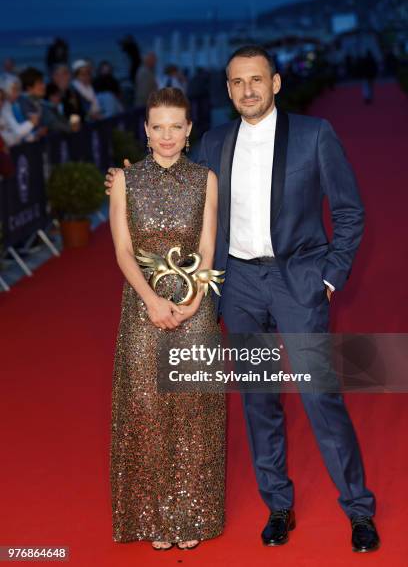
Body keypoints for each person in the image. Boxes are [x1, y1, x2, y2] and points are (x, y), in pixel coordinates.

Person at [105, 45, 380, 554]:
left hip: (299, 282)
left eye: (256, 79)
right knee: (260, 402)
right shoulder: (213, 141)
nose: (247, 90)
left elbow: (350, 212)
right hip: (239, 287)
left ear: (275, 83)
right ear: (228, 89)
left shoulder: (315, 135)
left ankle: (359, 509)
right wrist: (128, 177)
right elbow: (176, 173)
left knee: (321, 398)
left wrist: (329, 277)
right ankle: (278, 505)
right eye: (237, 82)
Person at [108, 87, 225, 551]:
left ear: (190, 129)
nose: (167, 135)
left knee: (195, 409)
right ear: (146, 129)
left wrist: (195, 300)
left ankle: (191, 513)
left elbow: (208, 246)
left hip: (195, 305)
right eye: (158, 126)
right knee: (148, 408)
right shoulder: (125, 181)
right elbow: (121, 250)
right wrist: (151, 301)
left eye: (176, 126)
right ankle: (155, 515)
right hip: (141, 306)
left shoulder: (205, 179)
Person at [0, 74, 39, 145]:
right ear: (6, 89)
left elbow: (16, 130)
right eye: (14, 89)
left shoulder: (11, 106)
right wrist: (31, 123)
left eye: (18, 89)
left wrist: (32, 136)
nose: (17, 93)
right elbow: (16, 134)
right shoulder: (4, 108)